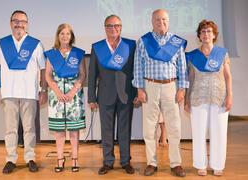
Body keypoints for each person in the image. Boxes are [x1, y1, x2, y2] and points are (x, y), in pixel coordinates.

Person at [0, 10, 48, 174]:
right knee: (10, 129)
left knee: (29, 129)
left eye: (23, 21)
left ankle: (30, 158)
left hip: (30, 93)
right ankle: (11, 159)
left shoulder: (35, 44)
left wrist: (44, 90)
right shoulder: (2, 43)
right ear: (11, 23)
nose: (19, 24)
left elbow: (43, 69)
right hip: (9, 93)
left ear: (27, 24)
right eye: (16, 21)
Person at [132, 9, 189, 177]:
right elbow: (138, 66)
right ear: (152, 21)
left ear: (168, 21)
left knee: (174, 126)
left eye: (164, 19)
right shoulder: (143, 41)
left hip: (171, 86)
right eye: (157, 19)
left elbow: (182, 67)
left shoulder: (176, 42)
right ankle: (151, 163)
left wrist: (182, 89)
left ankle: (176, 164)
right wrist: (139, 88)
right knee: (149, 127)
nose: (161, 22)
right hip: (150, 86)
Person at [88, 15, 137, 175]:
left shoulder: (130, 45)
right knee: (106, 130)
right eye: (110, 26)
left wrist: (137, 91)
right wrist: (91, 97)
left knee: (125, 129)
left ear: (121, 27)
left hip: (126, 94)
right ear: (105, 28)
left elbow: (135, 71)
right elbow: (92, 73)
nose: (113, 28)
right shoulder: (97, 47)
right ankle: (108, 162)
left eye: (116, 26)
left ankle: (125, 161)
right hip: (105, 94)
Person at [185, 20, 232, 176]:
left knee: (219, 132)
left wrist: (230, 96)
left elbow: (227, 76)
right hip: (198, 97)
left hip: (219, 96)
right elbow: (190, 79)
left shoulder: (222, 53)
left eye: (209, 31)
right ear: (199, 35)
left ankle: (218, 164)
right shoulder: (193, 55)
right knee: (198, 132)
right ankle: (201, 164)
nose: (206, 34)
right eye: (203, 31)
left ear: (214, 35)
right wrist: (186, 100)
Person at [45, 24, 86, 173]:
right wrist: (57, 92)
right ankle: (60, 159)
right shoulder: (52, 54)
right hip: (56, 97)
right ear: (58, 35)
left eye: (67, 34)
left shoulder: (77, 53)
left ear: (71, 36)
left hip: (73, 97)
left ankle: (75, 158)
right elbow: (48, 75)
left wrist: (72, 92)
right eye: (62, 33)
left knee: (74, 131)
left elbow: (82, 74)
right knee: (59, 131)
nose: (65, 36)